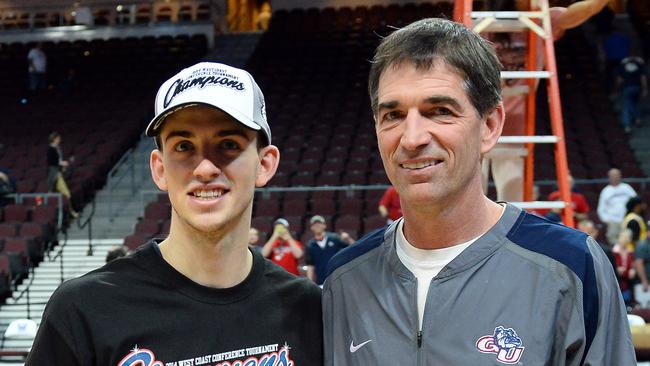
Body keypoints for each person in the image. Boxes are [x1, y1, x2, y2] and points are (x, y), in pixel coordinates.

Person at [323, 18, 635, 365]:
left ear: (489, 126)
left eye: (439, 111)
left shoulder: (571, 267)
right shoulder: (344, 281)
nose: (412, 138)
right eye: (393, 115)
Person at [26, 62, 323, 365]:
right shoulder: (83, 311)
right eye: (183, 146)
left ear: (265, 164)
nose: (205, 168)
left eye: (229, 144)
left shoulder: (310, 309)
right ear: (159, 168)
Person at [481, 0, 610, 202]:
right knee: (471, 186)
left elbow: (585, 10)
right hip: (478, 116)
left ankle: (506, 233)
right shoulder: (480, 23)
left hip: (515, 120)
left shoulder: (542, 20)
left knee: (513, 191)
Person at [305, 215, 354, 285]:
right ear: (311, 227)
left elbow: (353, 248)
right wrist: (309, 282)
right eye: (314, 224)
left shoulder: (334, 238)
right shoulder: (310, 245)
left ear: (324, 225)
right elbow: (310, 265)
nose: (317, 226)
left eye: (319, 223)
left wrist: (348, 239)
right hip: (321, 280)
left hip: (337, 278)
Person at [597, 168, 637, 245]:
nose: (615, 177)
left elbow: (636, 202)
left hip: (627, 220)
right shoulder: (606, 191)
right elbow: (601, 209)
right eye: (612, 176)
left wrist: (632, 216)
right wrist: (607, 220)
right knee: (614, 243)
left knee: (629, 240)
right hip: (613, 221)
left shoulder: (627, 188)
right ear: (609, 177)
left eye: (616, 175)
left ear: (620, 176)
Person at [46, 131, 78, 218]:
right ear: (54, 139)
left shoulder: (58, 148)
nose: (60, 140)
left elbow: (59, 160)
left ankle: (71, 212)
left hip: (58, 173)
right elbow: (52, 162)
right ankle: (71, 212)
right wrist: (61, 163)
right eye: (58, 138)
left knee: (64, 194)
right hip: (54, 175)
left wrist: (64, 163)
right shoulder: (50, 150)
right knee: (65, 193)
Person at [614, 54, 648, 132]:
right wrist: (645, 89)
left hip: (627, 87)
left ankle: (627, 126)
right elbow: (643, 78)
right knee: (635, 103)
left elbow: (619, 80)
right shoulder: (640, 65)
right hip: (637, 87)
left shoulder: (622, 66)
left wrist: (616, 89)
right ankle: (638, 119)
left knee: (626, 106)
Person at [613, 229, 636, 306]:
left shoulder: (630, 252)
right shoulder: (613, 251)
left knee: (627, 305)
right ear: (620, 237)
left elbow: (632, 265)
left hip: (627, 284)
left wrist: (633, 270)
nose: (627, 239)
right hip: (616, 284)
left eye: (629, 237)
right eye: (625, 237)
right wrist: (616, 269)